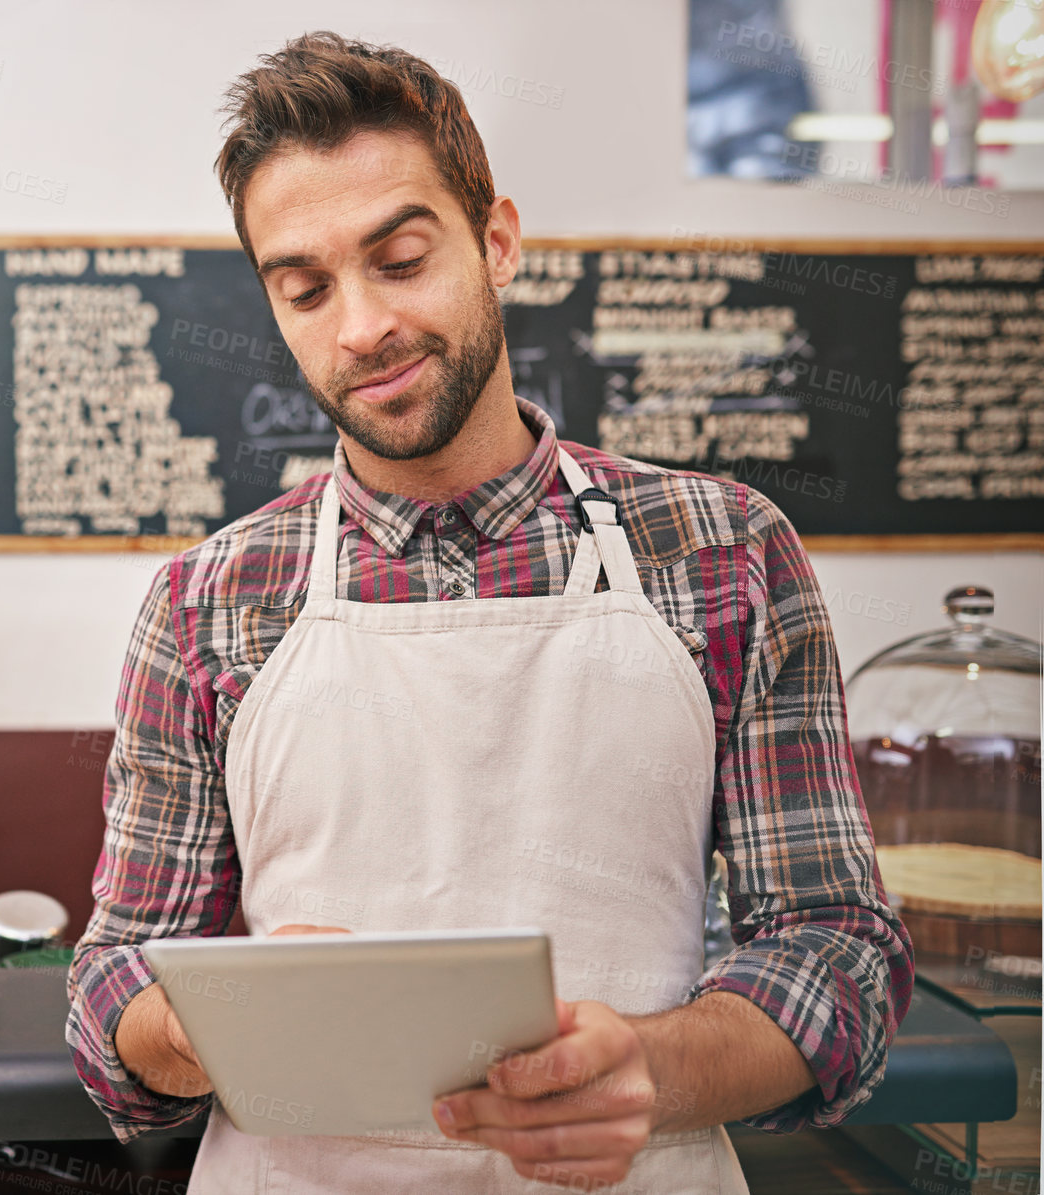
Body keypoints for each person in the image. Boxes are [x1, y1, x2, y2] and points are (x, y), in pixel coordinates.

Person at [66, 30, 913, 1194]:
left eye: (401, 258)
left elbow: (840, 952)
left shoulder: (724, 552)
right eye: (305, 289)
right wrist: (193, 1026)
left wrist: (650, 1073)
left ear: (495, 241)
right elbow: (111, 977)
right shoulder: (207, 600)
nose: (359, 326)